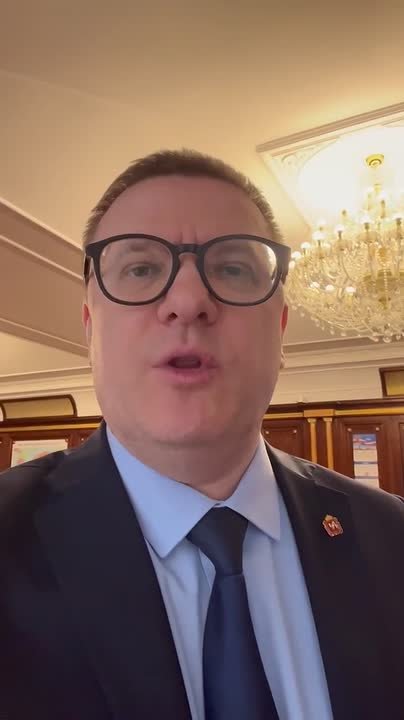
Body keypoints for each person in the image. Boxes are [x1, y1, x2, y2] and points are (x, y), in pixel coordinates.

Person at [1, 150, 403, 720]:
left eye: (232, 269)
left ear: (280, 328)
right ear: (90, 328)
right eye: (141, 269)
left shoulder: (392, 539)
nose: (189, 302)